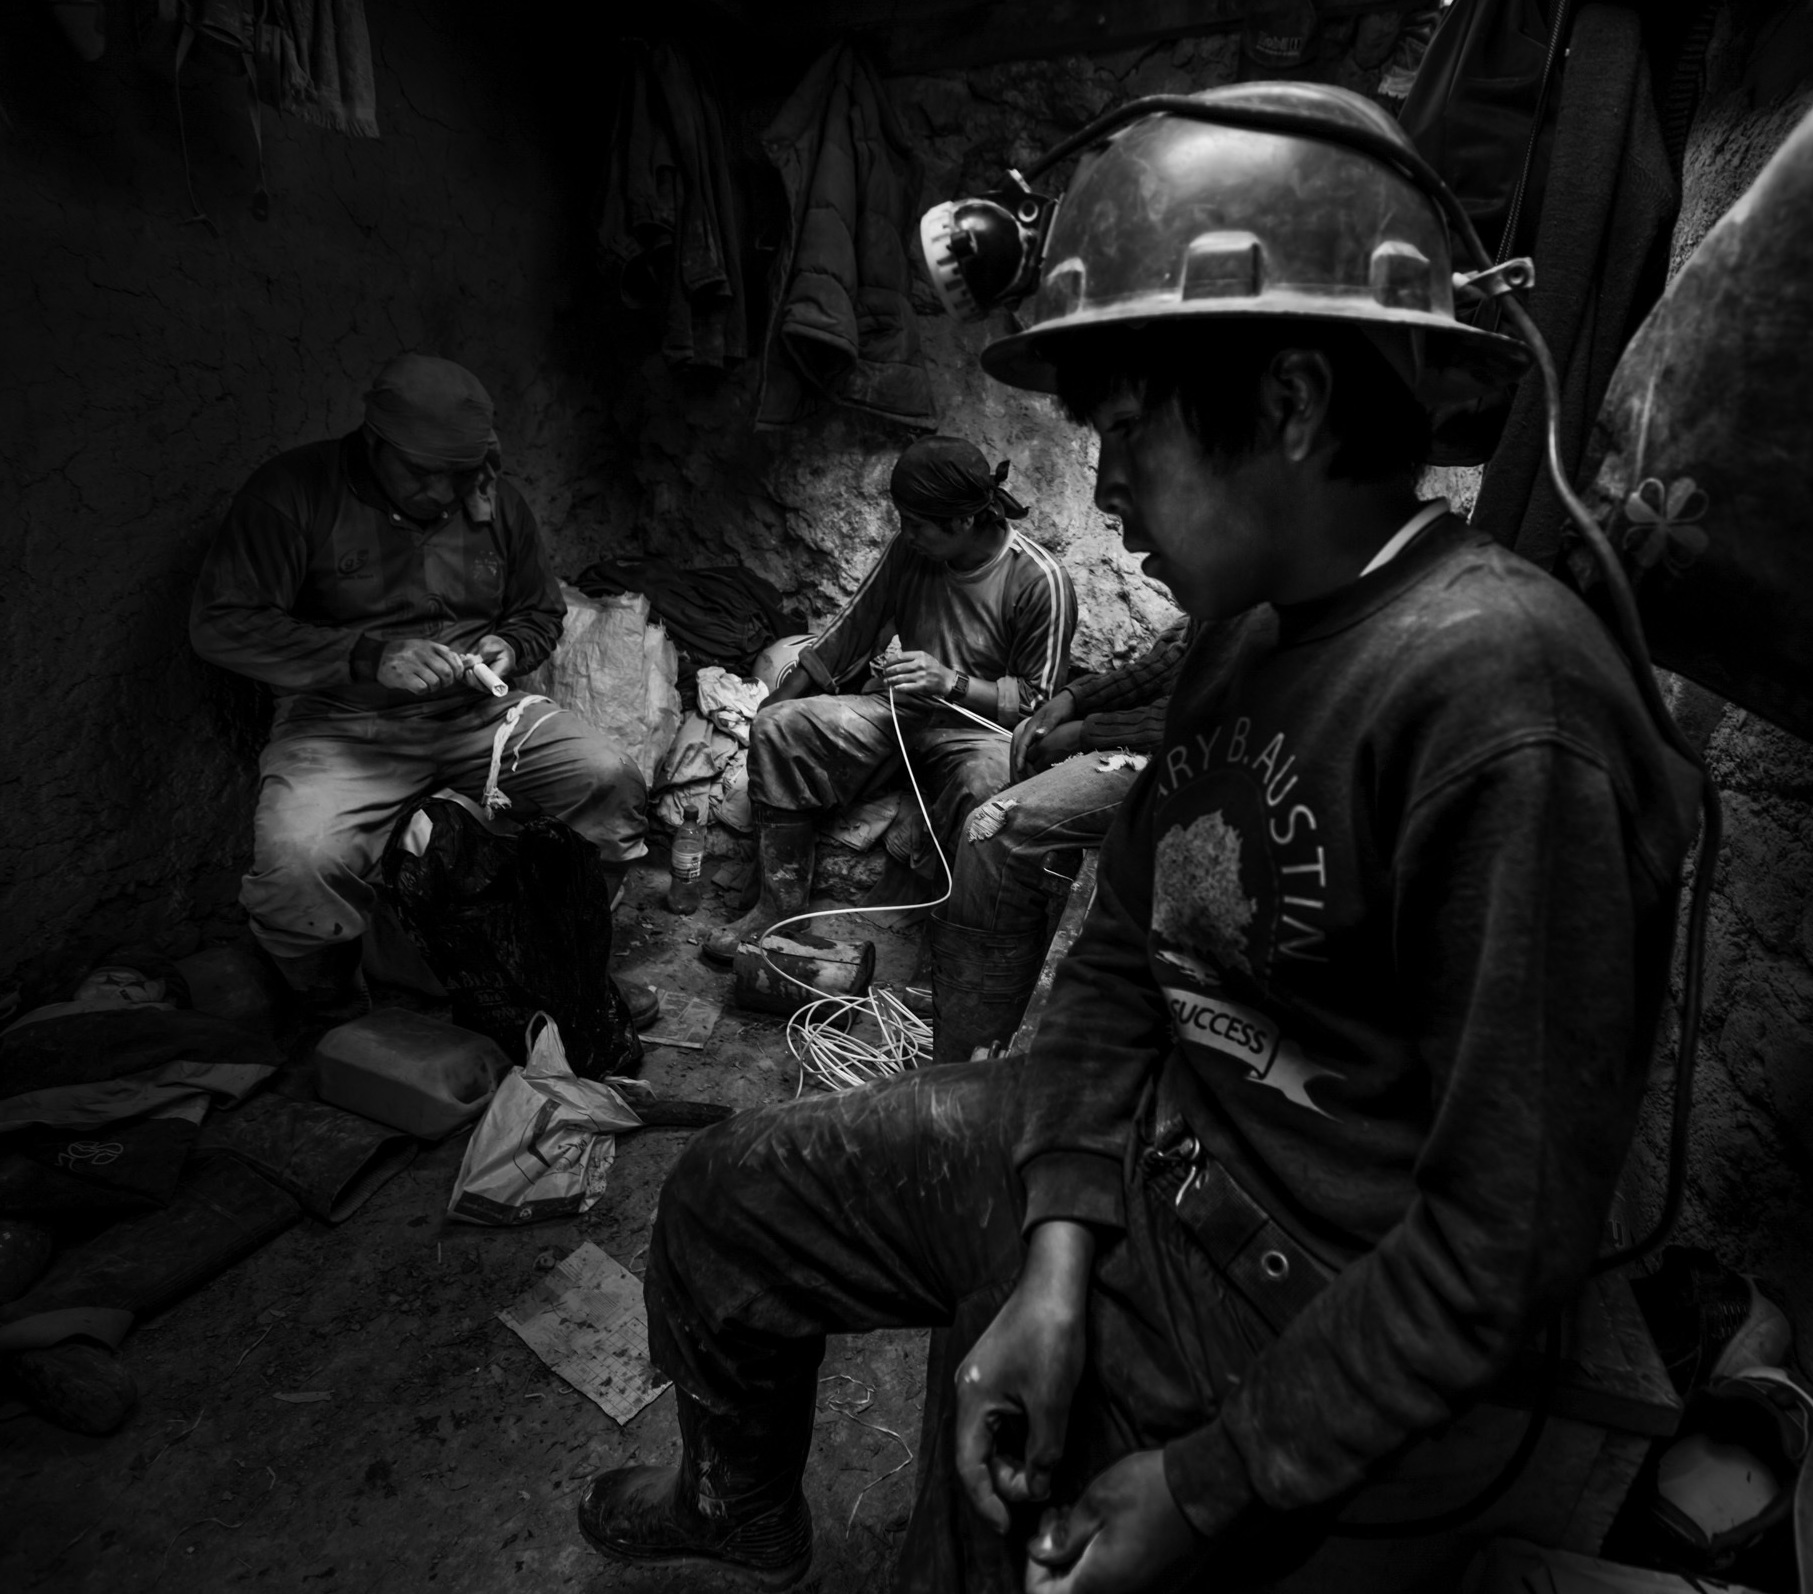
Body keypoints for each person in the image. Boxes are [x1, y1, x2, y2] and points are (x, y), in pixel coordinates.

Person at [580, 83, 1699, 1594]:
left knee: (984, 1531)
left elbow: (1497, 1247)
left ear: (1294, 404)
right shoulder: (1247, 637)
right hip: (1145, 1160)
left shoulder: (1507, 704)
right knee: (730, 1199)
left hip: (1284, 1290)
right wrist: (1055, 1247)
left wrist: (1209, 1479)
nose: (1101, 488)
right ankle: (739, 1502)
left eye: (1125, 433)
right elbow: (1120, 957)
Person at [191, 354, 650, 1020]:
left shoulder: (494, 502)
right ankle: (336, 1019)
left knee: (608, 779)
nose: (442, 493)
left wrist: (509, 645)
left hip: (481, 715)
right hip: (341, 723)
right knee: (300, 864)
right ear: (373, 444)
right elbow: (220, 624)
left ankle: (565, 974)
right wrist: (363, 656)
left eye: (459, 475)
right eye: (423, 474)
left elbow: (538, 614)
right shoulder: (293, 493)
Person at [702, 435, 1077, 963]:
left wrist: (951, 682)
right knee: (781, 726)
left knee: (990, 785)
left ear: (963, 521)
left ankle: (949, 955)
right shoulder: (912, 550)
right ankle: (778, 909)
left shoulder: (1040, 581)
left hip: (978, 736)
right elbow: (852, 627)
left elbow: (1040, 704)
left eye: (917, 523)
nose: (906, 534)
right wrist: (779, 701)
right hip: (899, 714)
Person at [929, 618, 1190, 1065]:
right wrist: (1074, 699)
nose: (1136, 544)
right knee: (1010, 782)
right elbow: (1176, 662)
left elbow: (1216, 708)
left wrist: (1092, 732)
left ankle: (963, 1069)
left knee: (994, 832)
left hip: (1206, 758)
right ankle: (969, 1028)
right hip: (1175, 731)